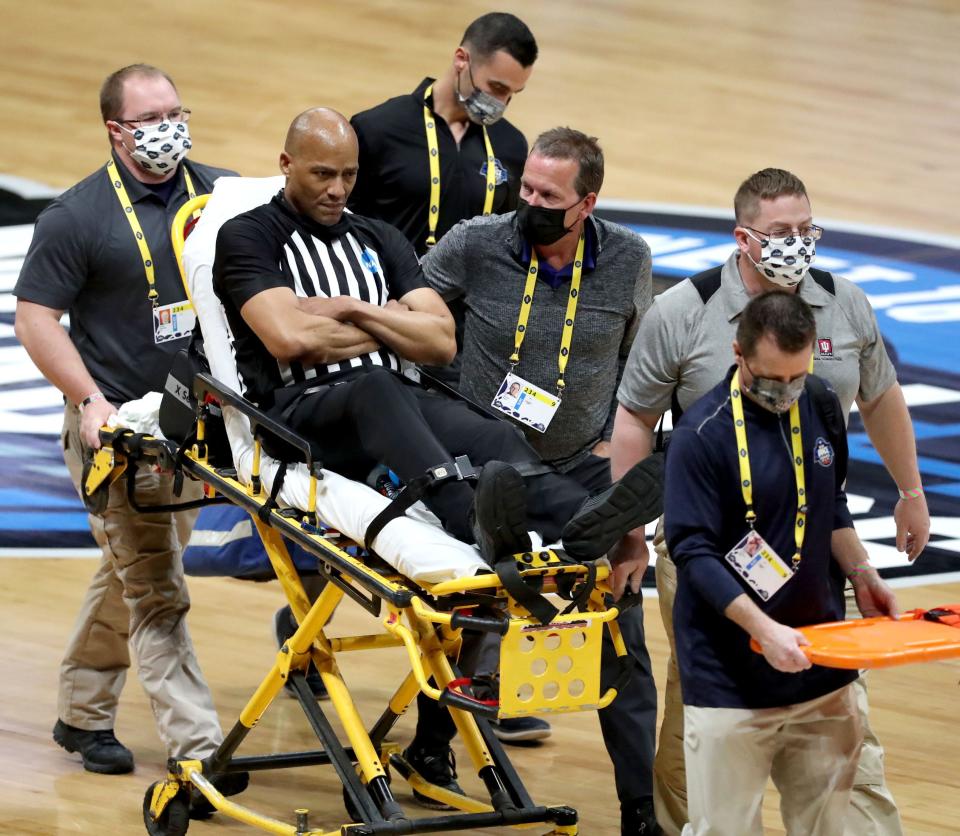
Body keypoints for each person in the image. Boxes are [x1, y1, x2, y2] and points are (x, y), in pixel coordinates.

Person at [210, 108, 662, 805]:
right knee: (380, 387)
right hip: (302, 421)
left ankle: (579, 516)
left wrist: (351, 313)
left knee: (492, 436)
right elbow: (287, 340)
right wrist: (389, 329)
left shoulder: (380, 237)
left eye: (349, 175)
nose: (337, 188)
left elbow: (441, 343)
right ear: (286, 164)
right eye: (322, 173)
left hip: (392, 396)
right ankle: (473, 524)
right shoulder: (247, 236)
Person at [611, 168, 929, 835]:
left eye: (805, 230)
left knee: (836, 707)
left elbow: (877, 401)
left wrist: (909, 494)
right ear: (744, 237)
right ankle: (676, 825)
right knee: (701, 704)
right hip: (706, 551)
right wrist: (629, 531)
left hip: (811, 550)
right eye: (780, 233)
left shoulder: (841, 312)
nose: (797, 243)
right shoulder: (686, 315)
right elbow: (635, 418)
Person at [14, 63, 246, 811]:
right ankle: (200, 753)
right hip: (114, 435)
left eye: (176, 111)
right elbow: (35, 319)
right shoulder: (76, 216)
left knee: (133, 567)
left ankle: (81, 716)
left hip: (188, 426)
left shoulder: (221, 195)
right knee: (157, 592)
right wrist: (87, 399)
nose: (168, 129)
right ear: (116, 130)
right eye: (150, 119)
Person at [422, 127, 661, 834]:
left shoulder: (629, 260)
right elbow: (414, 310)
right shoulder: (474, 242)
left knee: (621, 614)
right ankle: (434, 747)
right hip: (480, 452)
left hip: (574, 458)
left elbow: (634, 374)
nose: (529, 204)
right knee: (479, 590)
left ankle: (639, 806)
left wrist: (634, 532)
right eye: (525, 188)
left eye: (548, 196)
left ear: (587, 202)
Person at [665, 290, 899, 835]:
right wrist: (765, 629)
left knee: (831, 827)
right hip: (730, 680)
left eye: (796, 376)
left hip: (819, 665)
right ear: (738, 355)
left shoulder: (817, 401)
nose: (785, 392)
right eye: (772, 379)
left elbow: (830, 500)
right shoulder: (701, 436)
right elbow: (692, 551)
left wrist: (863, 573)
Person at [349, 12, 536, 257]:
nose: (502, 103)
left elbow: (508, 236)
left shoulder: (511, 144)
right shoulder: (376, 128)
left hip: (468, 294)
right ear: (461, 60)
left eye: (513, 93)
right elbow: (343, 223)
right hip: (387, 291)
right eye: (497, 88)